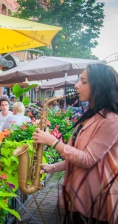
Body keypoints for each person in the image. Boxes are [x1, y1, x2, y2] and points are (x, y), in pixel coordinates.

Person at [32, 64, 118, 224]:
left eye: (84, 82)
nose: (77, 85)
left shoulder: (112, 120)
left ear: (99, 86)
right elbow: (77, 155)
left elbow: (87, 159)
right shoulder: (91, 116)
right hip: (77, 195)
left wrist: (52, 141)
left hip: (95, 200)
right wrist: (53, 167)